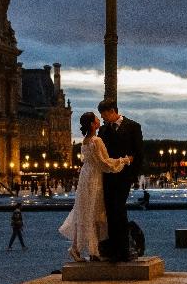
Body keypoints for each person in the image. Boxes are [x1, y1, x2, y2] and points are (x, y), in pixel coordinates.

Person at [60, 112, 131, 262]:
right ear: (93, 124)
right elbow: (105, 163)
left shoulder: (84, 141)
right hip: (94, 179)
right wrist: (125, 160)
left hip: (85, 177)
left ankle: (78, 249)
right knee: (95, 212)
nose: (99, 120)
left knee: (83, 212)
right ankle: (92, 250)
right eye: (97, 119)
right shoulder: (96, 140)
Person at [97, 100, 144, 262]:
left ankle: (123, 248)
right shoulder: (103, 130)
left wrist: (133, 177)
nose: (103, 119)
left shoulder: (133, 127)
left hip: (124, 177)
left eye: (104, 115)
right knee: (111, 211)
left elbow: (139, 154)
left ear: (111, 111)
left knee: (118, 209)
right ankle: (114, 248)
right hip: (108, 176)